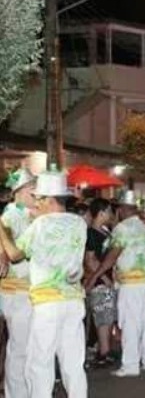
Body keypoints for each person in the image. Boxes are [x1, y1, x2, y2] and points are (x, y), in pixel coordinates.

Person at [0, 168, 88, 398]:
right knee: (72, 363)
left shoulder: (39, 225)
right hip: (73, 301)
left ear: (49, 199)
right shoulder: (79, 223)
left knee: (39, 363)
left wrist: (1, 230)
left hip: (47, 304)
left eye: (39, 197)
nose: (36, 202)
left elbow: (15, 254)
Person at [86, 190, 145, 378]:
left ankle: (130, 365)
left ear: (121, 209)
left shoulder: (122, 228)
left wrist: (95, 276)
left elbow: (112, 256)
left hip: (131, 284)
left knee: (130, 323)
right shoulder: (144, 226)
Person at [0, 167, 35, 398]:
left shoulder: (26, 214)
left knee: (27, 346)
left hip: (27, 291)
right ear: (20, 191)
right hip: (16, 291)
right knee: (20, 347)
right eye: (33, 190)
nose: (37, 195)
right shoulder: (11, 214)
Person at [84, 199, 116, 367]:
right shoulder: (90, 233)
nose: (111, 214)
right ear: (101, 212)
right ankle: (103, 353)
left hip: (106, 280)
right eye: (109, 211)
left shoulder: (105, 231)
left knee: (108, 316)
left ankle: (105, 350)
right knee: (103, 317)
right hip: (99, 283)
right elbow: (90, 260)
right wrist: (104, 278)